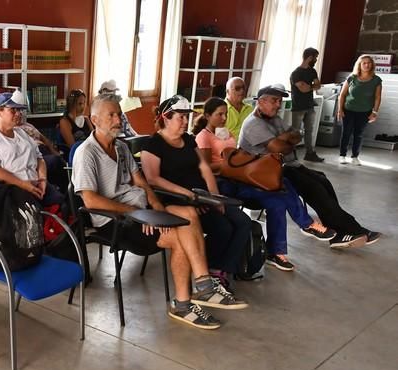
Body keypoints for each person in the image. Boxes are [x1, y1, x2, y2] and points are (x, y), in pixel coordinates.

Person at [72, 93, 248, 331]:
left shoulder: (122, 148)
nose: (117, 119)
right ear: (94, 119)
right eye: (111, 115)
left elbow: (143, 183)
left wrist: (155, 208)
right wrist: (135, 212)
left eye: (118, 114)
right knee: (180, 236)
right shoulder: (87, 153)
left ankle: (203, 283)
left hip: (140, 211)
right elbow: (91, 201)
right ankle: (185, 302)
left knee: (188, 214)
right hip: (115, 221)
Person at [196, 96, 332, 270]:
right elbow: (205, 166)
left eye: (225, 114)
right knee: (279, 186)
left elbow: (237, 153)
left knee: (278, 194)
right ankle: (305, 224)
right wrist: (231, 163)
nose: (223, 118)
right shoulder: (203, 137)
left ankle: (277, 251)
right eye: (219, 115)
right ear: (207, 116)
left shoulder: (226, 132)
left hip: (239, 175)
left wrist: (241, 160)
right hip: (224, 182)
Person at [239, 84, 380, 249]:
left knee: (323, 180)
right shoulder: (253, 124)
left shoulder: (274, 118)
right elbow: (280, 149)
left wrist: (283, 140)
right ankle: (352, 230)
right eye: (274, 101)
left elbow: (297, 136)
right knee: (314, 188)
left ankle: (338, 228)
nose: (279, 105)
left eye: (280, 101)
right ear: (261, 102)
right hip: (267, 173)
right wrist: (286, 140)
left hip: (287, 165)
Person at [141, 95, 251, 286]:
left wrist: (215, 198)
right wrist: (188, 196)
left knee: (243, 221)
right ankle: (211, 269)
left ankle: (222, 266)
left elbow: (205, 169)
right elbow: (153, 179)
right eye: (180, 117)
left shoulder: (189, 140)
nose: (185, 121)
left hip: (202, 197)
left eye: (187, 117)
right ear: (166, 118)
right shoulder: (152, 145)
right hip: (177, 200)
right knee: (222, 227)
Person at [0, 90, 65, 207]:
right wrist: (23, 184)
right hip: (10, 189)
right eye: (13, 110)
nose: (18, 114)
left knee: (62, 204)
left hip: (34, 184)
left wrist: (42, 180)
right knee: (37, 214)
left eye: (19, 110)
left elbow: (39, 158)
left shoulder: (21, 133)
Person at [337, 54, 383, 165]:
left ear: (372, 65)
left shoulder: (376, 80)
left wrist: (375, 112)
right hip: (348, 109)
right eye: (364, 63)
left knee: (359, 134)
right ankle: (342, 155)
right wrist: (340, 110)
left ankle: (355, 157)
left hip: (364, 112)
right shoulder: (351, 78)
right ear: (360, 65)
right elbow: (342, 95)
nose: (367, 65)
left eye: (369, 63)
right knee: (346, 133)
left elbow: (377, 97)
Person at [13, 105, 69, 192]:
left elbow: (45, 139)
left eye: (20, 112)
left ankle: (66, 190)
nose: (19, 114)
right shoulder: (14, 130)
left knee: (61, 158)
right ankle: (67, 192)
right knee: (56, 161)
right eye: (15, 112)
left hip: (44, 150)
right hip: (34, 154)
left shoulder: (28, 125)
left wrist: (54, 151)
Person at [290, 47, 325, 162]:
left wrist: (308, 86)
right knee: (295, 131)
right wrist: (311, 86)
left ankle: (309, 154)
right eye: (315, 58)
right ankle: (291, 154)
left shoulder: (312, 71)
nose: (316, 60)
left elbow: (318, 85)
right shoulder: (296, 73)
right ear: (310, 57)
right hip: (298, 106)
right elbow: (303, 89)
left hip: (309, 106)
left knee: (309, 130)